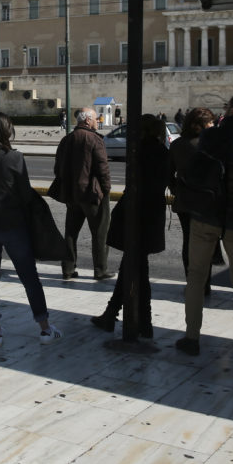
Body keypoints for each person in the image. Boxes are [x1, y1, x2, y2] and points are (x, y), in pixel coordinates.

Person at [175, 93, 233, 360]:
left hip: (207, 214)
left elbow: (197, 172)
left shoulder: (211, 137)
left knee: (196, 276)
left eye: (228, 106)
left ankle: (192, 337)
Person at [0, 111, 62, 347]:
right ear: (4, 131)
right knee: (29, 277)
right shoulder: (15, 158)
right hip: (13, 226)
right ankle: (45, 328)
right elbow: (25, 194)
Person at [91, 115, 170, 337]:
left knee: (133, 269)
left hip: (137, 215)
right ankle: (141, 321)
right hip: (152, 214)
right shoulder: (163, 151)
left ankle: (116, 316)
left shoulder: (140, 151)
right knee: (137, 270)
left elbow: (136, 186)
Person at [49, 107, 114, 280]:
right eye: (94, 118)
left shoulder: (66, 140)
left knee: (71, 232)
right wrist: (106, 190)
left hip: (72, 194)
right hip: (92, 195)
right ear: (87, 120)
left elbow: (58, 168)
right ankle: (100, 270)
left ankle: (68, 268)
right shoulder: (94, 139)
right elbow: (103, 169)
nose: (96, 121)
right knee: (100, 232)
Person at [168, 107, 218, 292]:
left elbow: (169, 173)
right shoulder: (213, 145)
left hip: (185, 201)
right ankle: (204, 283)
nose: (213, 125)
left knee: (189, 242)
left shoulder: (177, 144)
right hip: (207, 203)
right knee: (206, 243)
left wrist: (177, 189)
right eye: (210, 122)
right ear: (199, 125)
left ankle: (192, 282)